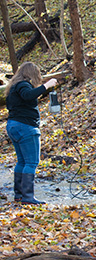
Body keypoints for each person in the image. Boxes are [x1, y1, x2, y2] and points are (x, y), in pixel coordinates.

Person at [5, 61, 57, 205]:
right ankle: (28, 197)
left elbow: (26, 99)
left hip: (13, 126)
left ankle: (19, 195)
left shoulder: (14, 87)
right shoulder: (24, 85)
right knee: (32, 162)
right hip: (25, 127)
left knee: (22, 161)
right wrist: (47, 85)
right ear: (32, 74)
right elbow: (28, 95)